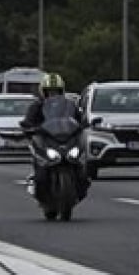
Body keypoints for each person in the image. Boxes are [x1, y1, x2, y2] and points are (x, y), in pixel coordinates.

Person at [20, 73, 88, 201]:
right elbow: (28, 121)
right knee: (40, 164)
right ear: (43, 92)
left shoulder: (70, 105)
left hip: (65, 138)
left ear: (61, 91)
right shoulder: (37, 106)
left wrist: (83, 123)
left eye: (56, 91)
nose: (53, 94)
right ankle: (37, 183)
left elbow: (79, 119)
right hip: (46, 139)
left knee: (80, 164)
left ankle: (81, 183)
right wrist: (29, 127)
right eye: (50, 91)